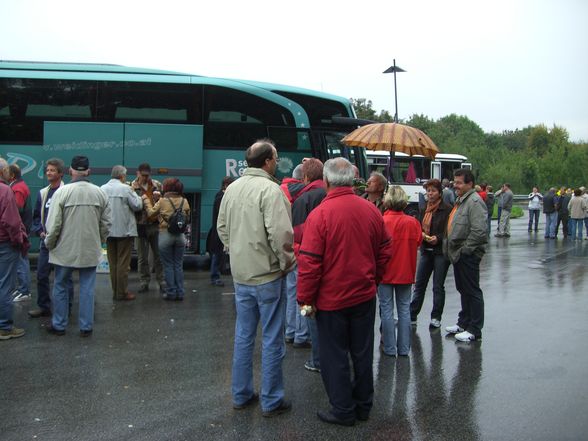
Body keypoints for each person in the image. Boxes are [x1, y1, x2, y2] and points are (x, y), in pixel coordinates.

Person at [297, 157, 393, 426]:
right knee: (362, 352)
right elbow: (386, 249)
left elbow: (310, 262)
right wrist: (374, 278)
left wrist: (305, 298)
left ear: (326, 181)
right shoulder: (371, 211)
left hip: (332, 299)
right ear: (352, 179)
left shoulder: (320, 215)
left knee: (334, 355)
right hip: (363, 294)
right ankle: (363, 405)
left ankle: (342, 409)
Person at [217, 139, 295, 417]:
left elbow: (222, 228)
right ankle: (271, 400)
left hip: (242, 274)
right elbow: (281, 235)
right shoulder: (271, 190)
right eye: (275, 157)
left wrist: (238, 251)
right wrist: (286, 263)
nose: (276, 161)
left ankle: (241, 394)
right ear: (267, 161)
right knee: (273, 337)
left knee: (243, 335)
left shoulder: (232, 188)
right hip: (269, 274)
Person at [44, 156, 111, 337]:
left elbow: (54, 224)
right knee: (87, 287)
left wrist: (49, 243)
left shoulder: (62, 192)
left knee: (60, 285)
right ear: (88, 171)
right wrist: (100, 240)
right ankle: (86, 327)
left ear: (71, 171)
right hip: (90, 248)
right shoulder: (100, 193)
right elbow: (106, 224)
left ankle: (59, 324)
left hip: (64, 248)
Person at [291, 158, 326, 371]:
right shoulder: (330, 194)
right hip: (332, 263)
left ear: (305, 177)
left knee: (310, 309)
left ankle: (317, 360)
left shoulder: (303, 199)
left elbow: (297, 237)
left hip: (308, 262)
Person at [444, 168, 487, 342]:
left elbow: (479, 231)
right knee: (463, 289)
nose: (456, 186)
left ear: (470, 184)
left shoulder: (474, 202)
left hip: (467, 254)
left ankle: (474, 329)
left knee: (472, 290)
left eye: (459, 183)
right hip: (458, 253)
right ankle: (464, 323)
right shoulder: (462, 200)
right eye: (455, 182)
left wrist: (465, 250)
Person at [379, 185, 422, 357]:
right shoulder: (413, 223)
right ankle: (404, 349)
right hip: (406, 271)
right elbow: (418, 242)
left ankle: (389, 348)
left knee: (386, 310)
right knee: (404, 310)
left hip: (385, 273)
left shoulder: (381, 221)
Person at [28, 158, 73, 318]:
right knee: (41, 275)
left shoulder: (67, 191)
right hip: (45, 242)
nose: (48, 172)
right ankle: (44, 307)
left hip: (62, 242)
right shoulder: (43, 193)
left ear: (60, 173)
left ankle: (67, 306)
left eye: (52, 170)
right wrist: (40, 231)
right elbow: (35, 217)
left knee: (64, 277)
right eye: (47, 170)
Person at [410, 179, 452, 329]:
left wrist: (438, 238)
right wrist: (421, 235)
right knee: (420, 284)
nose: (430, 193)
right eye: (428, 191)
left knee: (437, 286)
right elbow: (419, 226)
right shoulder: (424, 208)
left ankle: (436, 317)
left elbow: (449, 230)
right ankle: (412, 314)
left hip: (440, 251)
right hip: (426, 250)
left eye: (433, 191)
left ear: (439, 193)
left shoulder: (447, 209)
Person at [143, 178, 191, 301]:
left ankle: (171, 292)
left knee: (168, 265)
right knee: (178, 265)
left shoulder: (163, 201)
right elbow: (188, 217)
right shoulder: (184, 201)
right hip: (180, 237)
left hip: (165, 234)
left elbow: (151, 213)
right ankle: (180, 292)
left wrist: (146, 201)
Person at [101, 165, 143, 301]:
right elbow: (137, 205)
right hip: (124, 231)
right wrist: (140, 196)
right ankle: (122, 292)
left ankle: (115, 291)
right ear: (122, 176)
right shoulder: (126, 189)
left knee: (113, 263)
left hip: (108, 231)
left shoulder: (102, 188)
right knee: (123, 264)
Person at [0, 158, 28, 340]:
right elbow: (11, 222)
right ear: (3, 172)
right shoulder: (5, 191)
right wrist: (19, 241)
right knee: (5, 285)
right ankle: (4, 326)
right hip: (4, 245)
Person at [132, 163, 164, 293]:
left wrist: (158, 198)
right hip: (140, 225)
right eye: (143, 175)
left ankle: (161, 280)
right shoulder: (132, 187)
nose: (145, 178)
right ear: (138, 173)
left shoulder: (157, 185)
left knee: (158, 255)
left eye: (147, 175)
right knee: (142, 257)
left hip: (155, 224)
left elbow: (164, 203)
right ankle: (144, 282)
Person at [7, 164, 32, 302]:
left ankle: (24, 291)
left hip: (21, 230)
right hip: (22, 228)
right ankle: (22, 289)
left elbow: (16, 210)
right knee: (19, 260)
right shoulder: (18, 185)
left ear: (12, 175)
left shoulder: (17, 188)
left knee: (21, 260)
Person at [206, 176, 234, 287]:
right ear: (226, 185)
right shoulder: (221, 197)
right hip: (219, 231)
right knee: (217, 254)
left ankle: (216, 275)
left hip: (219, 231)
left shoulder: (221, 196)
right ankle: (214, 276)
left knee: (218, 254)